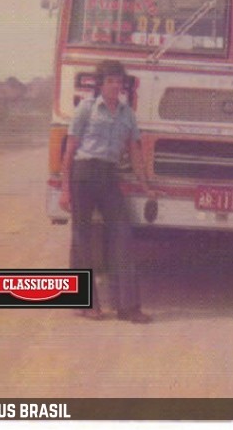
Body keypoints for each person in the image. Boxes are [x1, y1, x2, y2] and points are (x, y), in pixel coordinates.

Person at [60, 59, 154, 323]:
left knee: (122, 235)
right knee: (82, 237)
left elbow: (135, 151)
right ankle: (85, 303)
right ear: (100, 84)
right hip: (84, 174)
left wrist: (145, 185)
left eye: (118, 81)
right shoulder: (86, 110)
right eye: (110, 81)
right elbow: (69, 151)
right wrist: (65, 189)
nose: (115, 86)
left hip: (109, 176)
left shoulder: (127, 114)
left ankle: (128, 307)